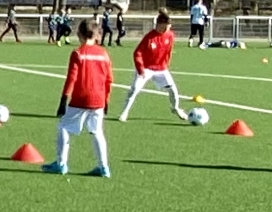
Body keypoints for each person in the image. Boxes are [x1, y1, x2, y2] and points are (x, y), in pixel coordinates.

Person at [44, 18, 113, 177]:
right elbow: (109, 79)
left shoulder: (78, 53)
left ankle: (61, 164)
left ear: (79, 34)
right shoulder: (104, 53)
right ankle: (104, 167)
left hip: (81, 99)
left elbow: (72, 78)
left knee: (64, 127)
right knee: (97, 132)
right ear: (96, 35)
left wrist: (63, 100)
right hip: (99, 100)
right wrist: (106, 100)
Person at [117, 11, 186, 122]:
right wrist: (140, 69)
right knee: (134, 90)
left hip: (161, 69)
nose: (168, 29)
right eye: (166, 26)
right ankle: (124, 112)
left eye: (169, 26)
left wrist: (166, 64)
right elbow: (137, 53)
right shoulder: (149, 38)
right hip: (146, 68)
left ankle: (176, 108)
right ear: (159, 24)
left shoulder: (170, 35)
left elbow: (168, 51)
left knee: (173, 90)